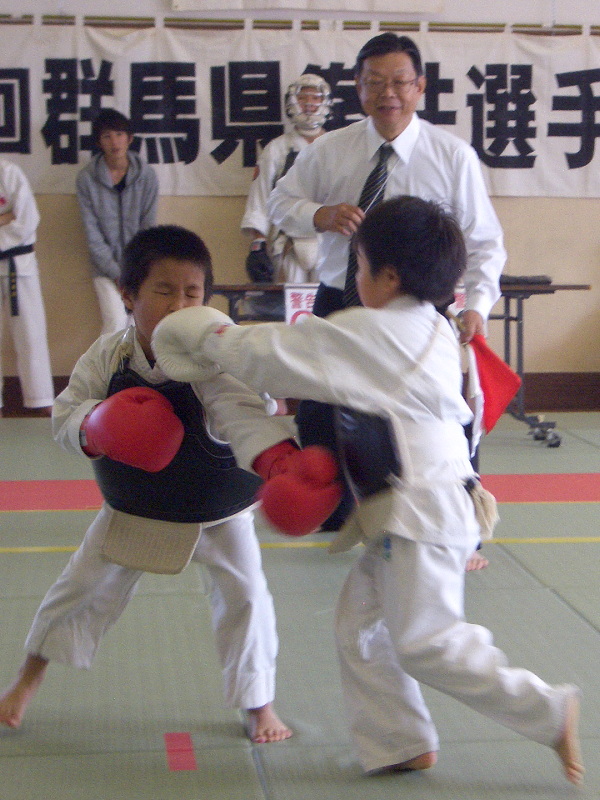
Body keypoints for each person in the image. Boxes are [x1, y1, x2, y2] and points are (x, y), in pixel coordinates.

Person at [151, 196, 583, 787]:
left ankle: (549, 709)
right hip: (413, 510)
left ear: (387, 275)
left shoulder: (372, 332)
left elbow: (270, 355)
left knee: (427, 641)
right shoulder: (431, 325)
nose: (354, 281)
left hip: (422, 513)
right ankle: (399, 741)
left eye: (358, 267)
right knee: (361, 626)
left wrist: (202, 334)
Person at [0, 224, 304, 744]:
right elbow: (66, 414)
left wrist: (278, 459)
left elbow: (246, 417)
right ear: (128, 294)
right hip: (135, 508)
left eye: (191, 292)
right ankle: (26, 681)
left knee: (248, 595)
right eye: (163, 290)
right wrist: (97, 427)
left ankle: (259, 704)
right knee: (78, 589)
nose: (177, 304)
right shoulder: (108, 356)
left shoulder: (216, 357)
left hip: (218, 509)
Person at [267, 33, 506, 549]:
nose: (388, 93)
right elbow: (279, 203)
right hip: (341, 299)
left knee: (444, 417)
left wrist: (478, 308)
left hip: (423, 313)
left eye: (400, 82)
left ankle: (461, 530)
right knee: (320, 412)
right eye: (374, 82)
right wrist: (318, 215)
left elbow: (485, 244)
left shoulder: (452, 156)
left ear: (420, 87)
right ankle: (335, 517)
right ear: (358, 90)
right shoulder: (330, 151)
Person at [241, 73, 332, 284]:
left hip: (328, 241)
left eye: (315, 98)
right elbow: (260, 197)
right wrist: (258, 245)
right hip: (288, 240)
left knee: (327, 308)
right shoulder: (276, 149)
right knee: (291, 309)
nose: (309, 104)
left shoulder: (337, 146)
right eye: (303, 98)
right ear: (292, 102)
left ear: (325, 102)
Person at [76, 108, 159, 335]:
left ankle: (133, 371)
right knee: (115, 321)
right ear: (99, 142)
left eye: (120, 134)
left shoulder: (147, 176)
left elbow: (148, 230)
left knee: (138, 326)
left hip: (138, 267)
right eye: (107, 136)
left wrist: (134, 269)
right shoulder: (86, 179)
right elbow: (93, 237)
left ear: (130, 138)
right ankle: (103, 371)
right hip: (104, 269)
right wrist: (116, 273)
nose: (115, 142)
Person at [0, 158, 54, 417]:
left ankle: (41, 397)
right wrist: (4, 217)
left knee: (30, 333)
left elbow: (27, 220)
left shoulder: (8, 172)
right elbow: (12, 217)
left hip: (17, 265)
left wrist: (10, 219)